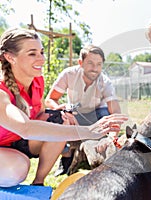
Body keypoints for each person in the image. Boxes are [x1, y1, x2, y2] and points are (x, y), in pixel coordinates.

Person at [0, 27, 128, 187]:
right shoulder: (1, 91)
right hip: (7, 145)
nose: (41, 59)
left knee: (61, 119)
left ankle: (38, 183)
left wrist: (58, 115)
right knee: (18, 168)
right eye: (32, 53)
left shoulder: (37, 81)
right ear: (10, 57)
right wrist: (89, 131)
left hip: (16, 142)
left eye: (41, 52)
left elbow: (38, 114)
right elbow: (25, 128)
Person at [45, 44, 122, 176]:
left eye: (99, 64)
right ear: (80, 63)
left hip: (96, 114)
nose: (95, 68)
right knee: (53, 116)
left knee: (105, 114)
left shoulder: (105, 82)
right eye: (90, 63)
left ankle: (99, 156)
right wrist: (60, 110)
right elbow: (50, 100)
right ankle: (66, 154)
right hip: (75, 113)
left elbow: (115, 111)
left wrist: (113, 136)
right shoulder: (69, 74)